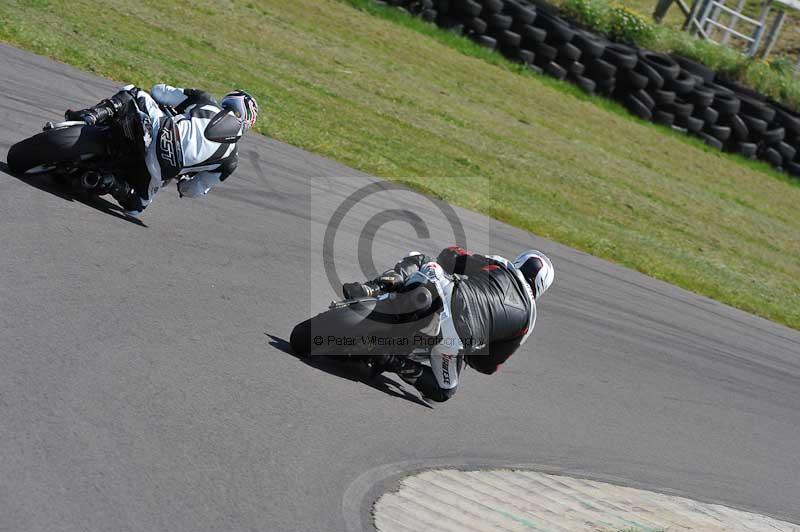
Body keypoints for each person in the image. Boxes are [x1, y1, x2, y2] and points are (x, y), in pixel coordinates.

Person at [342, 246, 554, 402]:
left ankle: (371, 288)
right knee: (444, 390)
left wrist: (452, 264)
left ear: (520, 261)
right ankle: (391, 359)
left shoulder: (501, 264)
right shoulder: (529, 321)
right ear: (541, 287)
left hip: (446, 293)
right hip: (456, 338)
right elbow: (488, 364)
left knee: (421, 259)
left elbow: (452, 256)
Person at [65, 84, 259, 216]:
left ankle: (89, 116)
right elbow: (193, 190)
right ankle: (109, 182)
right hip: (159, 170)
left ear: (227, 101)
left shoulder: (205, 101)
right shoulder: (231, 160)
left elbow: (159, 91)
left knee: (132, 91)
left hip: (158, 130)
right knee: (136, 208)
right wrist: (183, 182)